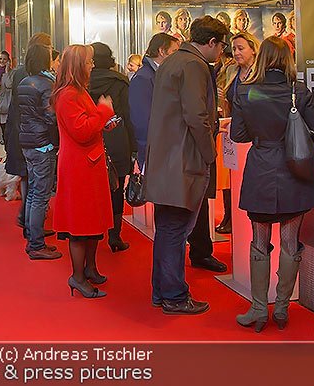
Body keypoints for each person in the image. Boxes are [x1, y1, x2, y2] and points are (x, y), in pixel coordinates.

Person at [229, 36, 314, 332]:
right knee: (289, 241)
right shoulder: (299, 92)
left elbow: (238, 135)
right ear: (287, 59)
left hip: (261, 170)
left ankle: (259, 309)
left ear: (262, 58)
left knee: (259, 241)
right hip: (295, 172)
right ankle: (282, 308)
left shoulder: (246, 91)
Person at [145, 16, 228, 314]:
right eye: (221, 46)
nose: (222, 52)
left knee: (168, 229)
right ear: (212, 42)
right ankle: (174, 295)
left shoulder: (172, 61)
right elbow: (196, 115)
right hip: (183, 159)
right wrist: (210, 152)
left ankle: (164, 291)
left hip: (168, 157)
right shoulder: (194, 65)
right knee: (176, 230)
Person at [51, 45, 115, 299]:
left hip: (87, 164)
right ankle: (78, 277)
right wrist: (103, 111)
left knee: (91, 222)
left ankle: (89, 269)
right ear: (78, 66)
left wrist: (101, 120)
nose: (92, 65)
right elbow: (81, 131)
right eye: (89, 62)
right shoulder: (69, 94)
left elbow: (86, 125)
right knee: (80, 226)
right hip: (80, 168)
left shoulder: (76, 91)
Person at [87, 43, 136, 253]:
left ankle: (92, 233)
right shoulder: (120, 82)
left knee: (91, 190)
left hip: (91, 139)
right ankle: (115, 236)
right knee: (117, 188)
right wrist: (134, 146)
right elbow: (129, 116)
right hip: (117, 138)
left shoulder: (83, 81)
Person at [3, 33, 53, 232]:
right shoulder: (41, 80)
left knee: (29, 180)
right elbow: (46, 113)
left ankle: (29, 222)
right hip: (37, 135)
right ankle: (32, 227)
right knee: (36, 186)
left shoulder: (21, 74)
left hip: (22, 131)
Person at [18, 43, 60, 259]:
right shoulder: (46, 84)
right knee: (40, 195)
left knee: (33, 191)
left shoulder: (25, 82)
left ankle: (32, 235)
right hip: (43, 142)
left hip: (28, 141)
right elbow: (51, 116)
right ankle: (36, 244)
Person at [216, 31, 259, 234]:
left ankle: (246, 220)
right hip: (233, 128)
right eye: (234, 49)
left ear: (253, 49)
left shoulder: (261, 71)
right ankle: (229, 215)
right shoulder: (231, 70)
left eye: (241, 48)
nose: (236, 52)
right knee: (229, 176)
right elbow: (225, 97)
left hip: (255, 131)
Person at [130, 33, 180, 179]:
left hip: (167, 149)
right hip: (155, 151)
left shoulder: (161, 74)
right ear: (162, 51)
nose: (178, 57)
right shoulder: (144, 78)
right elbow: (142, 121)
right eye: (174, 52)